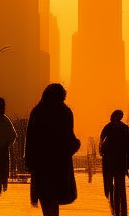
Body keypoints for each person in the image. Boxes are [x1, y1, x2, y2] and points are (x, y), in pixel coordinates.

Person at [26, 83, 82, 216]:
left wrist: (29, 162)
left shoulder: (37, 112)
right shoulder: (65, 112)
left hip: (42, 164)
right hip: (59, 164)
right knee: (55, 199)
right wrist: (76, 145)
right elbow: (69, 139)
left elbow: (30, 139)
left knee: (46, 198)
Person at [100, 110, 129, 216]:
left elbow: (101, 142)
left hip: (111, 163)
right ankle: (121, 211)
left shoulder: (108, 128)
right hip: (121, 163)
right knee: (120, 188)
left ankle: (115, 208)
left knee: (113, 188)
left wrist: (102, 151)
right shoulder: (125, 128)